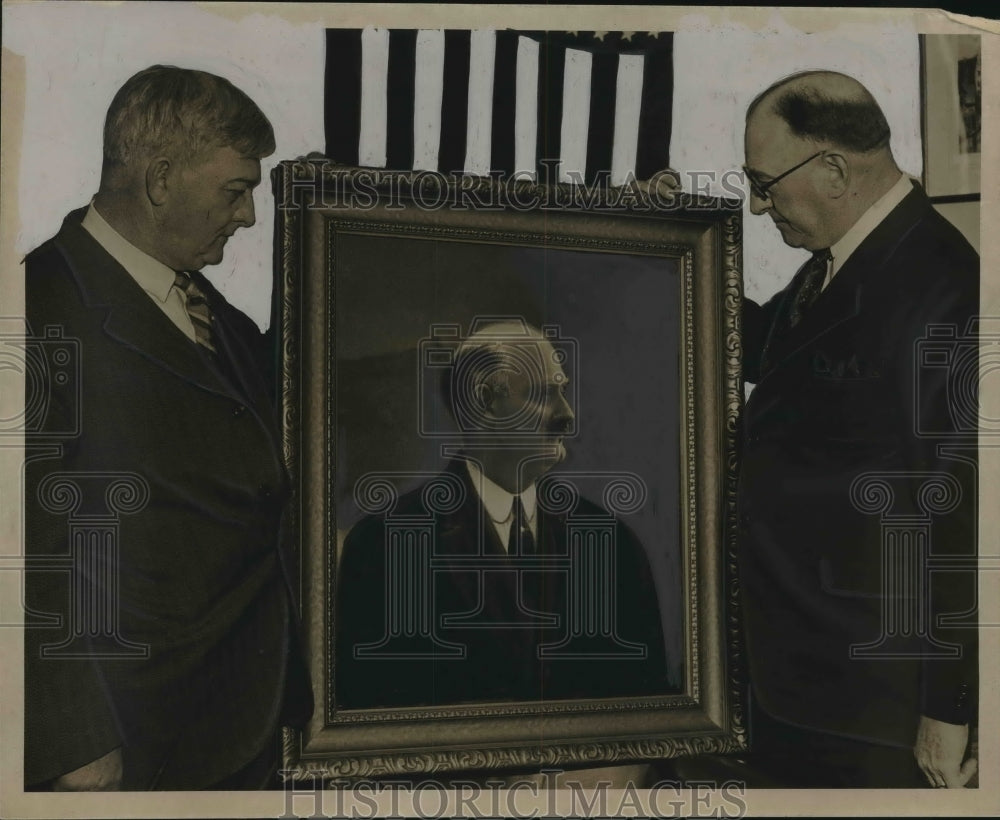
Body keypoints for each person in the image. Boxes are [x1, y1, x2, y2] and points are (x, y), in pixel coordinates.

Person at [23, 65, 311, 790]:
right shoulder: (34, 307)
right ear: (158, 181)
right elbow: (21, 550)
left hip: (250, 730)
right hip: (132, 748)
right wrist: (70, 743)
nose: (247, 217)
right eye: (235, 190)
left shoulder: (226, 322)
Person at [737, 71, 978, 787]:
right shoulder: (850, 263)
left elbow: (960, 514)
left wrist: (949, 709)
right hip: (808, 686)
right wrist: (662, 245)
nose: (755, 204)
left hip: (877, 712)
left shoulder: (943, 287)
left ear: (835, 170)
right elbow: (776, 353)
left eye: (763, 182)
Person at [335, 320, 670, 707]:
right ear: (485, 401)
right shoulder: (384, 543)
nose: (567, 414)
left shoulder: (613, 543)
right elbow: (366, 715)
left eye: (563, 391)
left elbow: (648, 707)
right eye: (545, 394)